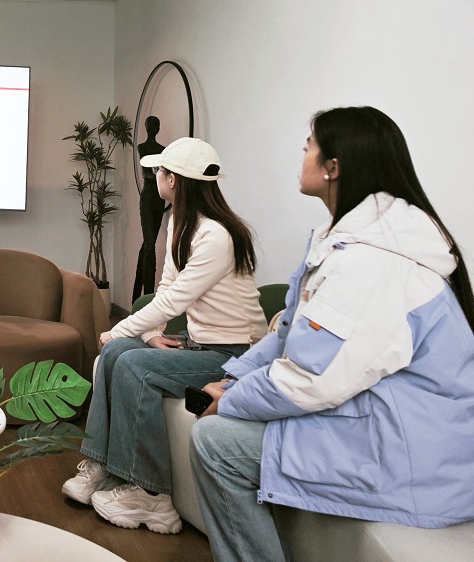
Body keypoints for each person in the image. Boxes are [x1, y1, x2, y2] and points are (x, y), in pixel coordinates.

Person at [189, 107, 474, 562]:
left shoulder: (373, 261)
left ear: (333, 167)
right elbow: (290, 334)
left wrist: (231, 401)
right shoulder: (346, 242)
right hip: (387, 420)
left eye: (309, 147)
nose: (301, 154)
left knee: (215, 442)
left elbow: (311, 378)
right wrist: (235, 378)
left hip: (418, 458)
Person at [63, 137, 266, 535]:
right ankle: (104, 467)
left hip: (236, 354)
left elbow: (177, 298)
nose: (155, 175)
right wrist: (151, 333)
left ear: (172, 180)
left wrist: (117, 328)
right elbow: (168, 286)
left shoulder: (217, 236)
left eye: (159, 170)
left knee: (133, 364)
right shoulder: (181, 223)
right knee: (118, 353)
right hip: (202, 343)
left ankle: (151, 495)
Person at [134, 115, 167, 301]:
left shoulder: (163, 150)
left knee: (148, 245)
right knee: (149, 247)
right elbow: (148, 174)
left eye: (157, 124)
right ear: (147, 127)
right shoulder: (142, 147)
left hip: (159, 199)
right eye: (152, 124)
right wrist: (159, 176)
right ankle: (148, 299)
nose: (155, 126)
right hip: (147, 199)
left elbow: (160, 174)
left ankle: (136, 297)